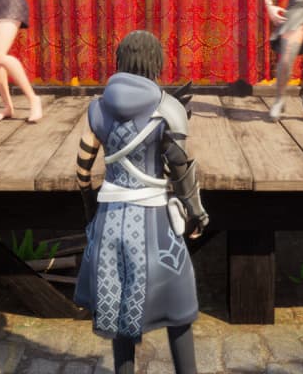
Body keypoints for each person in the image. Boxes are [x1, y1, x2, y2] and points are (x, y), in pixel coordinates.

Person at [74, 30, 208, 374]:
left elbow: (82, 171)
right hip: (155, 225)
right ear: (155, 63)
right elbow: (180, 171)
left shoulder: (97, 108)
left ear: (121, 61)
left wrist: (91, 211)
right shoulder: (168, 108)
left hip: (109, 223)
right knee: (178, 305)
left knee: (120, 306)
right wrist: (196, 214)